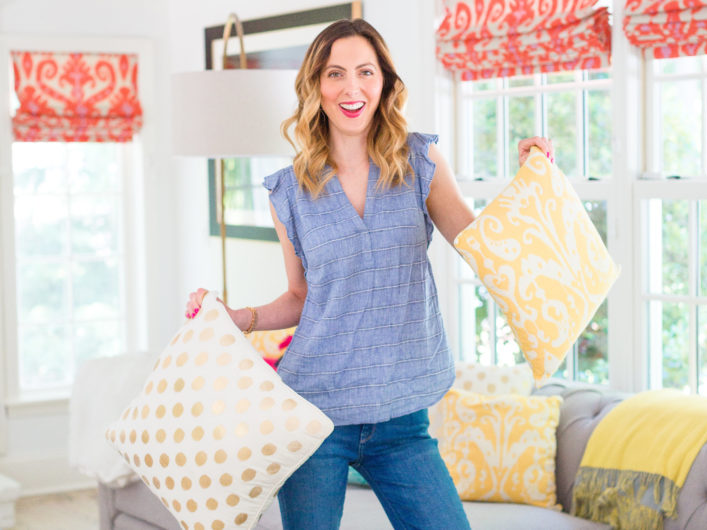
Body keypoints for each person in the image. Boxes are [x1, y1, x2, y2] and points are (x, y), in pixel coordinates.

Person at [185, 18, 554, 530]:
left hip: (402, 420)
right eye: (335, 74)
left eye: (365, 72)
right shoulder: (288, 191)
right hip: (313, 417)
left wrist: (530, 183)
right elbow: (300, 296)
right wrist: (236, 316)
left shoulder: (419, 162)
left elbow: (484, 248)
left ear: (385, 83)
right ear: (316, 86)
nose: (351, 87)